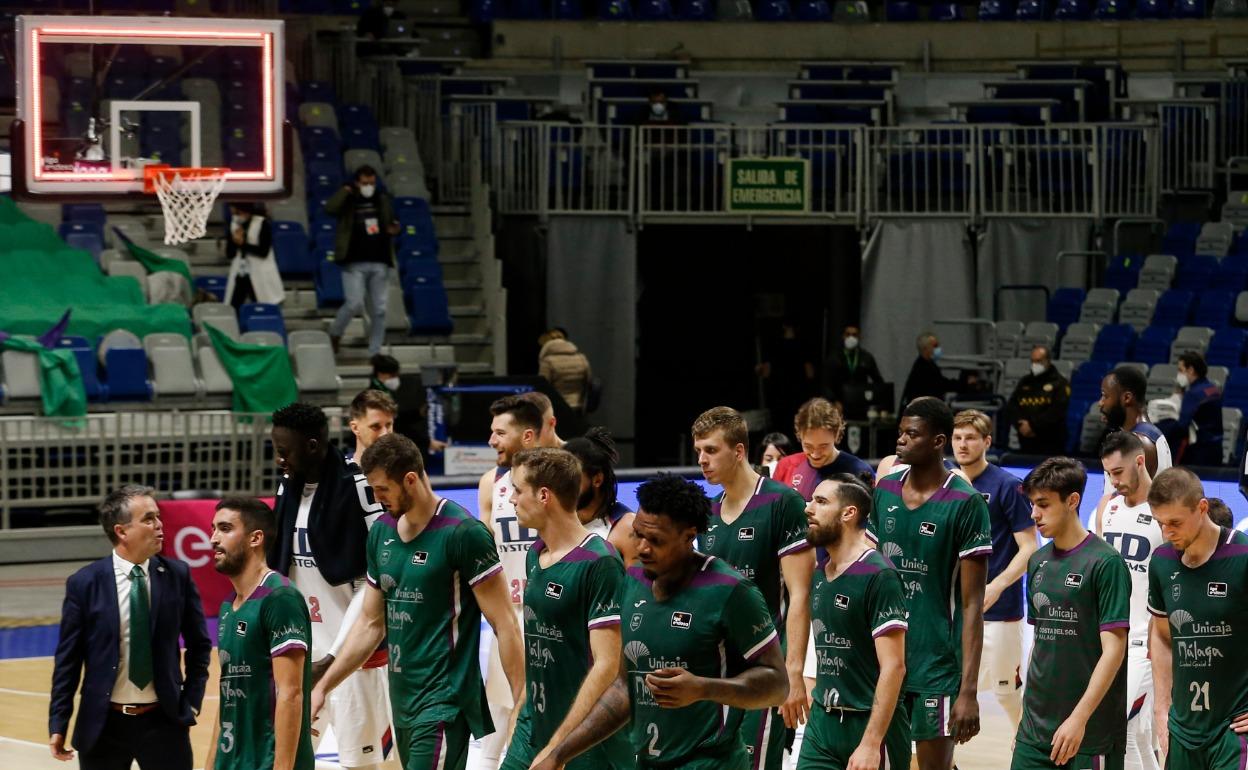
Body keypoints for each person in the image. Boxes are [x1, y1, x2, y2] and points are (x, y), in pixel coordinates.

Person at [531, 474, 790, 770]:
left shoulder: (731, 591)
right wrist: (559, 754)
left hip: (710, 763)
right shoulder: (633, 581)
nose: (642, 548)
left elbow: (778, 684)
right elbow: (625, 688)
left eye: (655, 540)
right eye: (638, 534)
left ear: (689, 536)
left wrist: (704, 688)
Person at [312, 433, 525, 770]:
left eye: (382, 489)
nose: (377, 498)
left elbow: (505, 623)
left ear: (410, 479)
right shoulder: (381, 533)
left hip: (445, 703)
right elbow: (370, 623)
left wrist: (521, 700)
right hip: (402, 701)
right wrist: (324, 686)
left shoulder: (463, 533)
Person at [266, 403, 393, 770]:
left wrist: (334, 658)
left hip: (354, 659)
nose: (279, 459)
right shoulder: (287, 487)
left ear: (311, 444)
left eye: (284, 450)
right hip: (301, 655)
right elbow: (284, 570)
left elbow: (370, 585)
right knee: (287, 758)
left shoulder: (358, 485)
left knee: (364, 765)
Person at [49, 485, 211, 769]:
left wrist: (192, 700)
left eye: (158, 517)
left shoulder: (177, 575)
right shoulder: (85, 583)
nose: (159, 525)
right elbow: (68, 661)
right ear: (121, 531)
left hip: (164, 722)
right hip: (103, 726)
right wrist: (58, 721)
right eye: (148, 519)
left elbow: (200, 645)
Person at [871, 396, 992, 770]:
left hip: (937, 665)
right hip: (886, 660)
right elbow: (871, 577)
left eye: (912, 434)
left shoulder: (966, 502)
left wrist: (968, 691)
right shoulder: (886, 489)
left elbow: (972, 604)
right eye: (901, 432)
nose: (901, 441)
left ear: (939, 442)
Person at [692, 406, 815, 768]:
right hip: (718, 667)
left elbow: (800, 594)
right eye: (698, 450)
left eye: (711, 450)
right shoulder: (707, 512)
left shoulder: (782, 502)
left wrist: (793, 673)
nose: (702, 459)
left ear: (739, 451)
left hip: (765, 664)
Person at [498, 448, 632, 770]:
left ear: (544, 495)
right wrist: (521, 707)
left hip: (583, 741)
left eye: (518, 490)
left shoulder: (600, 563)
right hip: (533, 726)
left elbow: (607, 666)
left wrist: (558, 748)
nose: (512, 500)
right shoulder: (535, 553)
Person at [1013, 457, 1131, 770]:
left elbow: (1114, 650)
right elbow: (1039, 646)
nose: (1034, 514)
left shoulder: (1106, 564)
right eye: (1032, 504)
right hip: (1034, 732)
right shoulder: (1037, 561)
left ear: (1073, 501)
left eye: (1043, 504)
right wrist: (1026, 719)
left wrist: (1078, 719)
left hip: (1089, 732)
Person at [799, 474, 911, 770]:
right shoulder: (820, 574)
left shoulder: (879, 575)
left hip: (870, 725)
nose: (808, 508)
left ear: (849, 513)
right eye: (811, 500)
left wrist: (871, 743)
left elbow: (894, 666)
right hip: (822, 723)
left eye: (821, 502)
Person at [1146, 467, 1248, 770]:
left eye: (1175, 522)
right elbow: (1163, 637)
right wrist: (1161, 710)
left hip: (1233, 729)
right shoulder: (1162, 561)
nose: (1167, 533)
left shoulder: (1242, 556)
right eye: (1160, 523)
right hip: (1182, 728)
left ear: (1202, 508)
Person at [205, 497, 316, 770]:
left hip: (268, 762)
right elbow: (228, 696)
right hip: (232, 760)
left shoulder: (280, 598)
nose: (213, 539)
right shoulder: (228, 606)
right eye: (213, 529)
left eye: (225, 528)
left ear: (255, 538)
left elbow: (290, 693)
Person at [951, 409, 1037, 732]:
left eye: (971, 438)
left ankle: (1027, 752)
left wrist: (998, 585)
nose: (963, 444)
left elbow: (1030, 548)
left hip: (999, 611)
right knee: (950, 690)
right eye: (957, 438)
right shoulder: (945, 483)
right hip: (955, 610)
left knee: (1007, 693)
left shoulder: (1008, 486)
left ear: (987, 441)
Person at [476, 394, 543, 766]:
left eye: (500, 433)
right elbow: (484, 550)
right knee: (498, 713)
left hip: (548, 609)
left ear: (528, 437)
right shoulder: (490, 482)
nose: (492, 440)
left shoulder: (557, 480)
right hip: (506, 613)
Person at [1093, 430, 1164, 770]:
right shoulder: (1107, 507)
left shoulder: (1166, 508)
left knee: (1118, 725)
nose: (1113, 481)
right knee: (1133, 735)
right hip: (1109, 638)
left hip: (1144, 643)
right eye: (1108, 473)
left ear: (1140, 461)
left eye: (1118, 472)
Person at [326, 165, 400, 356]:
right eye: (365, 183)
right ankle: (335, 333)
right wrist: (346, 190)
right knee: (354, 304)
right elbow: (330, 208)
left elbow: (390, 221)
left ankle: (375, 352)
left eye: (372, 183)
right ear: (357, 182)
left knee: (380, 310)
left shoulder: (381, 199)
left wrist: (393, 228)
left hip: (379, 259)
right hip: (354, 260)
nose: (369, 187)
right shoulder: (349, 200)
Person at [773, 398, 875, 499]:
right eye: (808, 446)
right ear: (799, 436)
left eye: (823, 446)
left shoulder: (859, 471)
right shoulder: (786, 467)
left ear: (836, 435)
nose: (815, 454)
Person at [564, 427, 638, 565]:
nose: (564, 486)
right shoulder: (557, 524)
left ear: (597, 479)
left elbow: (638, 585)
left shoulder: (627, 528)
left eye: (573, 478)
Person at [1100, 365, 1173, 483]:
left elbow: (1127, 500)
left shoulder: (1139, 443)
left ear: (1127, 398)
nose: (1100, 403)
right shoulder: (1149, 435)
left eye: (1105, 396)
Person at [368, 354, 444, 459]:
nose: (396, 379)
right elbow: (397, 425)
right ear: (381, 374)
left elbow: (397, 420)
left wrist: (418, 413)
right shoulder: (374, 398)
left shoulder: (384, 393)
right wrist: (427, 442)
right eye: (393, 375)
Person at [1005, 345, 1070, 456]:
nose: (1035, 365)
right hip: (1026, 441)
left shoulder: (1060, 383)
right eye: (1033, 361)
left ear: (1048, 360)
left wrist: (1032, 425)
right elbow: (1012, 405)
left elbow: (1056, 411)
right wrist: (1020, 424)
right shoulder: (1025, 382)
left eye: (1039, 361)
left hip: (1050, 442)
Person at [224, 202, 285, 310]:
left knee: (263, 305)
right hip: (240, 271)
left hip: (259, 271)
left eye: (238, 213)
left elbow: (263, 252)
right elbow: (229, 253)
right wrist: (234, 242)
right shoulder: (233, 224)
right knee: (234, 306)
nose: (236, 216)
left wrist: (243, 244)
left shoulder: (262, 223)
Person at [823, 324, 886, 421]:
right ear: (843, 336)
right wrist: (834, 401)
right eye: (848, 334)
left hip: (860, 405)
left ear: (859, 336)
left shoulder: (866, 357)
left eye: (854, 334)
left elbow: (878, 381)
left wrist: (876, 404)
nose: (851, 337)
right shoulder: (834, 358)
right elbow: (826, 383)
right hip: (839, 405)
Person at [1174, 352, 1224, 466]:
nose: (1178, 375)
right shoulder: (1213, 389)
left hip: (1198, 453)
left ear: (1190, 370)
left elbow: (1182, 425)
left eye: (1180, 370)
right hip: (1216, 449)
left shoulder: (1192, 394)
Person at [538, 329, 593, 413]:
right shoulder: (581, 358)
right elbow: (588, 382)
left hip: (557, 408)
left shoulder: (547, 361)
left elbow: (543, 387)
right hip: (578, 406)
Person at [901, 332, 958, 410]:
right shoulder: (924, 369)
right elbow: (941, 384)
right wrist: (963, 383)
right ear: (925, 348)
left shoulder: (925, 365)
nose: (938, 349)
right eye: (935, 346)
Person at [347, 388, 396, 462]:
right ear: (355, 428)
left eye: (388, 425)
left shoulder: (405, 468)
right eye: (375, 426)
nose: (384, 433)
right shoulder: (338, 470)